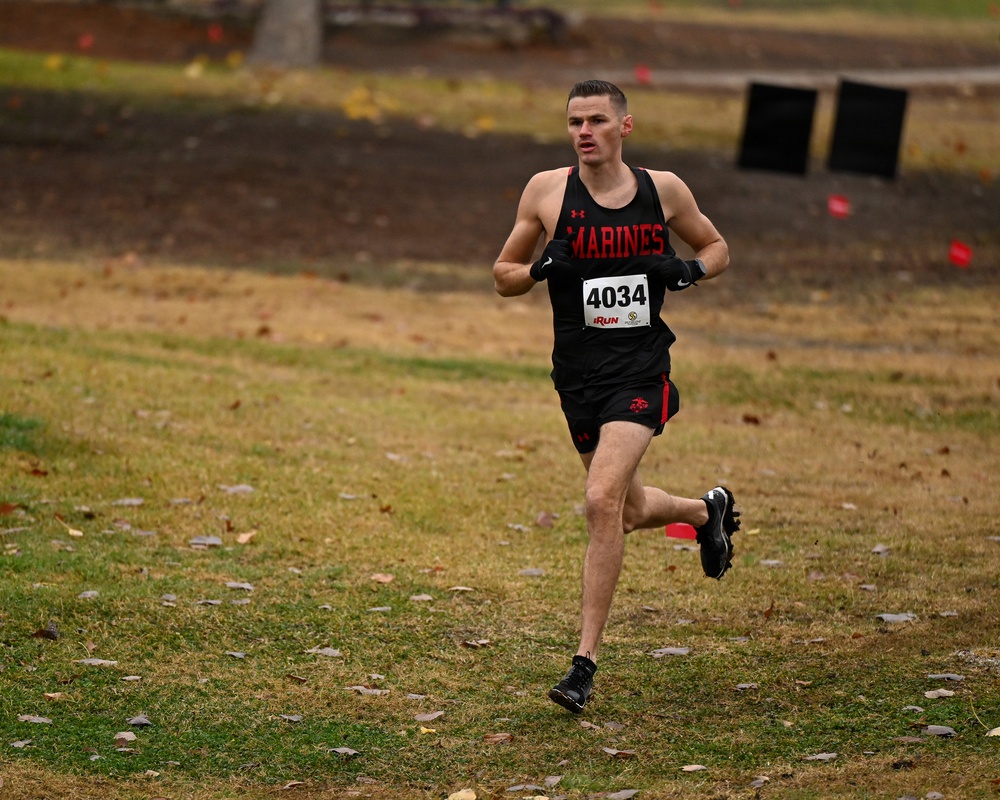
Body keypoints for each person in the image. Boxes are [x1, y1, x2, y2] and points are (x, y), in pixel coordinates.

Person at [492, 79, 741, 714]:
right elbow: (503, 277)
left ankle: (583, 665)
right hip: (577, 376)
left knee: (600, 499)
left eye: (598, 120)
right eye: (575, 120)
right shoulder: (546, 192)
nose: (584, 131)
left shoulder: (665, 191)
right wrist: (542, 269)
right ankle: (707, 512)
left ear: (623, 127)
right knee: (624, 511)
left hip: (641, 371)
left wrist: (685, 271)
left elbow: (717, 248)